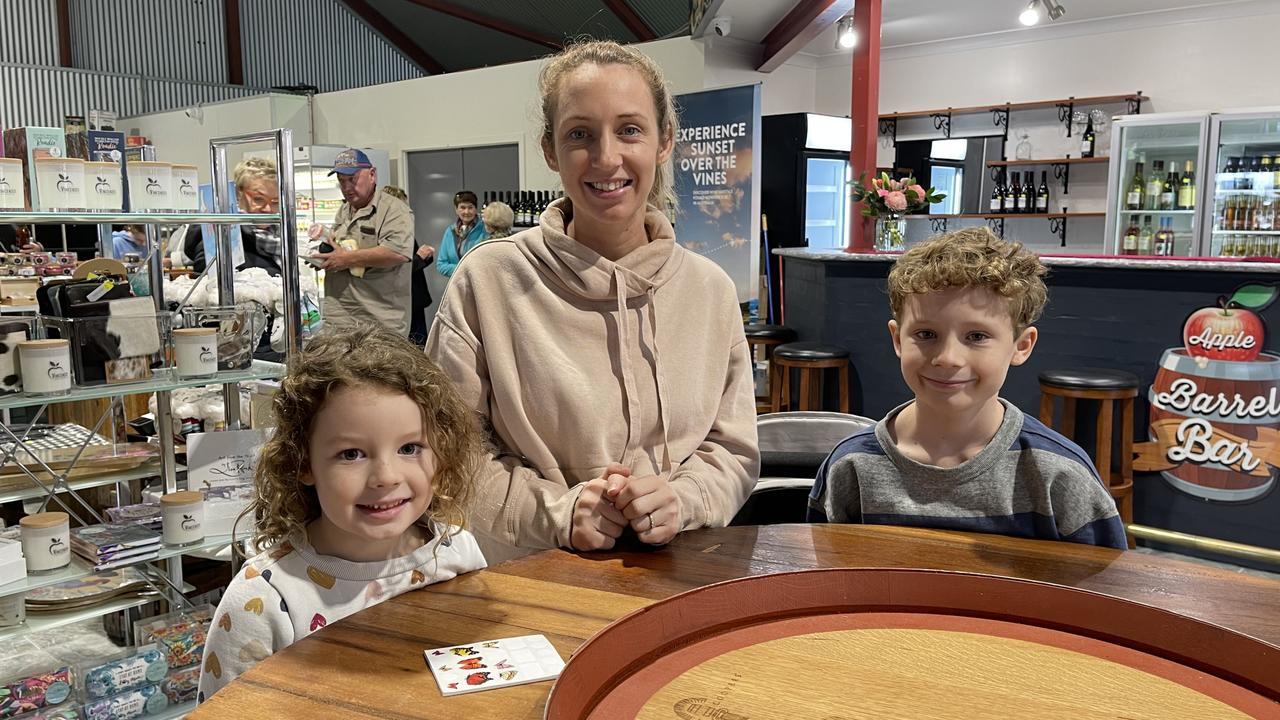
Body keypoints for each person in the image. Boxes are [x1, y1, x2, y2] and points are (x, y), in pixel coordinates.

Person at [427, 40, 758, 562]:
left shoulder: (709, 291)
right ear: (551, 151)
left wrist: (683, 498)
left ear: (664, 142)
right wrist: (558, 512)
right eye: (580, 134)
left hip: (678, 576)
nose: (607, 158)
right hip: (526, 580)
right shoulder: (488, 280)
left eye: (630, 129)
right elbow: (447, 450)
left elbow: (733, 448)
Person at [197, 324, 487, 702]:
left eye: (410, 448)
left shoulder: (457, 552)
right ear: (303, 463)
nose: (386, 477)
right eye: (351, 454)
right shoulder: (265, 599)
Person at [807, 228, 1127, 549]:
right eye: (926, 334)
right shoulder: (851, 468)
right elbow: (827, 583)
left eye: (976, 336)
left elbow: (1105, 590)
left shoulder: (1058, 475)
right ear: (897, 339)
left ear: (1021, 345)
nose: (947, 359)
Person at [309, 149, 415, 336]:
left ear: (372, 175)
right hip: (339, 317)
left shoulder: (394, 210)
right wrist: (324, 257)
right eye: (341, 181)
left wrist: (347, 259)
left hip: (378, 322)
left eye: (352, 179)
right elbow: (340, 248)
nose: (347, 187)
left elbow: (397, 253)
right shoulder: (344, 210)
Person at [383, 185, 436, 344]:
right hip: (401, 302)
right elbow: (391, 268)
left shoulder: (401, 230)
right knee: (413, 346)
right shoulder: (387, 235)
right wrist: (419, 258)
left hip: (413, 300)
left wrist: (424, 257)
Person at [435, 190, 486, 277]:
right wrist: (463, 270)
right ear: (456, 209)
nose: (466, 212)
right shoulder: (450, 231)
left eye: (470, 207)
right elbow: (441, 264)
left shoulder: (486, 229)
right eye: (462, 207)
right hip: (457, 285)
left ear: (475, 209)